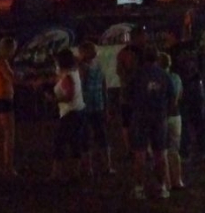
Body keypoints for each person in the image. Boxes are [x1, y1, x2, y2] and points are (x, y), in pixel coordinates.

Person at [129, 47, 175, 200]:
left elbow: (128, 95)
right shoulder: (164, 75)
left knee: (140, 153)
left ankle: (139, 188)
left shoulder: (137, 74)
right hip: (159, 116)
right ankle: (161, 187)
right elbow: (172, 98)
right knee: (160, 153)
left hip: (141, 115)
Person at [78, 41, 115, 177]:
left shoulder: (83, 66)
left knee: (89, 136)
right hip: (95, 104)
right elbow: (103, 85)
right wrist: (106, 105)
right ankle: (105, 166)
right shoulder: (96, 66)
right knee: (99, 136)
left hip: (88, 105)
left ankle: (89, 168)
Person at [50, 48, 86, 182]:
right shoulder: (73, 71)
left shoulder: (67, 76)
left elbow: (69, 96)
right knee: (74, 142)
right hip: (77, 111)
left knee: (60, 142)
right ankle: (75, 172)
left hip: (70, 112)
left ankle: (57, 173)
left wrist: (53, 99)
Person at [0, 36, 19, 177]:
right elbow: (12, 79)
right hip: (4, 99)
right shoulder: (2, 63)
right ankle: (8, 166)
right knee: (9, 133)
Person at [116, 25, 147, 158]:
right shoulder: (143, 52)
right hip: (138, 92)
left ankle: (131, 149)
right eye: (143, 36)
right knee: (141, 120)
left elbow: (119, 72)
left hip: (128, 92)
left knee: (127, 122)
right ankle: (143, 149)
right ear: (138, 37)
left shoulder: (123, 53)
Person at [158, 51, 185, 191]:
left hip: (163, 116)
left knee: (162, 150)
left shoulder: (159, 79)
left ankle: (166, 182)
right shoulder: (177, 77)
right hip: (176, 115)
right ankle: (178, 180)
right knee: (174, 150)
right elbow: (180, 95)